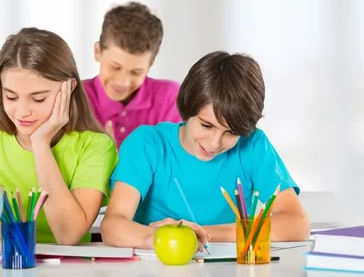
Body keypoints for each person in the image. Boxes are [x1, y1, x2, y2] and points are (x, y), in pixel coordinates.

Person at [100, 51, 310, 249]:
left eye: (231, 133)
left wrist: (199, 233)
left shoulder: (253, 145)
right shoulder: (146, 144)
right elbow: (113, 225)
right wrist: (165, 236)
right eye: (206, 125)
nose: (214, 143)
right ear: (187, 108)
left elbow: (297, 224)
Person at [0, 27, 117, 245]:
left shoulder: (94, 146)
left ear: (69, 90)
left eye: (38, 99)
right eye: (11, 97)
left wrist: (41, 143)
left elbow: (67, 234)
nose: (22, 112)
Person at [83, 2, 181, 148]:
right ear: (97, 51)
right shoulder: (77, 97)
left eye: (136, 72)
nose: (122, 82)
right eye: (115, 67)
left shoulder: (169, 98)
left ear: (150, 64)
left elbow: (174, 164)